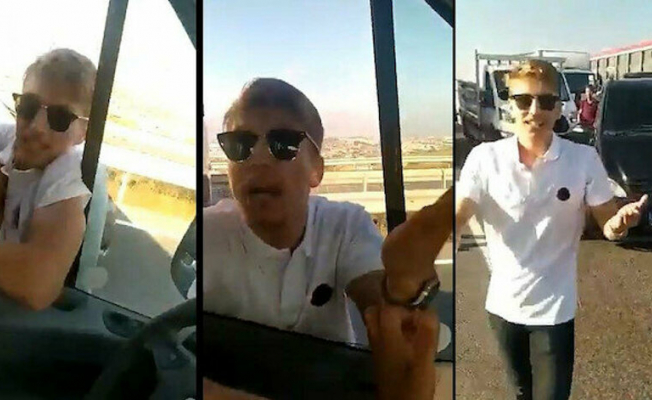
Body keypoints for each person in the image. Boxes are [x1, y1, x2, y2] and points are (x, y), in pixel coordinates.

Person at [456, 59, 646, 400]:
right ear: (509, 104)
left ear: (558, 107)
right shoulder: (485, 159)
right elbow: (461, 210)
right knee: (521, 392)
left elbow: (608, 223)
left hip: (555, 310)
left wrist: (620, 223)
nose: (535, 110)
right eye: (523, 100)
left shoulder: (582, 159)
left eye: (546, 101)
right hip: (503, 307)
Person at [203, 78, 444, 343]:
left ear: (316, 169)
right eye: (239, 144)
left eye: (283, 144)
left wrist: (400, 288)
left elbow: (381, 308)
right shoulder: (208, 235)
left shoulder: (345, 225)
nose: (257, 160)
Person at [204, 190, 452, 400]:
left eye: (285, 149)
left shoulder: (342, 221)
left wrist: (398, 294)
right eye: (238, 150)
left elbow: (371, 292)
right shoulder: (210, 229)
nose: (259, 160)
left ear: (315, 170)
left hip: (328, 379)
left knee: (390, 322)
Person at [0, 48, 95, 310]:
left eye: (60, 118)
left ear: (83, 132)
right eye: (28, 107)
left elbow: (38, 283)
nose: (36, 127)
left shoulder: (64, 177)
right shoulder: (7, 140)